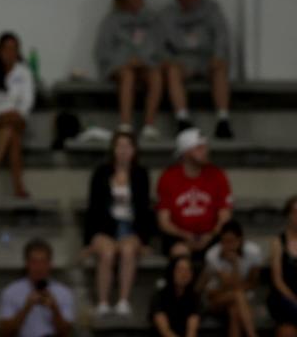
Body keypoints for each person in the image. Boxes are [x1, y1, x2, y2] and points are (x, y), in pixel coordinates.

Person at [84, 130, 154, 317]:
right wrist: (88, 242)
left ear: (134, 150)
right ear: (113, 150)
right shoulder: (101, 173)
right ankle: (103, 302)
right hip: (106, 228)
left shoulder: (141, 174)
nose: (123, 151)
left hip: (130, 228)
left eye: (128, 146)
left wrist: (145, 241)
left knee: (128, 251)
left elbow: (145, 210)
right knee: (107, 253)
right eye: (119, 146)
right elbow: (93, 208)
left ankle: (123, 300)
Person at [160, 0, 234, 138]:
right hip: (183, 59)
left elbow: (221, 35)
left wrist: (218, 55)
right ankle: (183, 120)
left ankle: (223, 120)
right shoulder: (168, 14)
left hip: (207, 57)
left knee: (221, 68)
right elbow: (161, 43)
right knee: (172, 71)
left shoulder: (211, 8)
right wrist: (169, 60)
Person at [94, 0, 164, 140]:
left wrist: (143, 60)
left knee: (155, 75)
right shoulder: (111, 22)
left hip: (146, 64)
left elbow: (159, 46)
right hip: (120, 67)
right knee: (128, 75)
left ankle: (149, 125)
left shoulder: (151, 18)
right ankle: (125, 124)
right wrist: (124, 61)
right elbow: (103, 51)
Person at [156, 128, 233, 260]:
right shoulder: (168, 177)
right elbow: (164, 221)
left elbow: (225, 216)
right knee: (180, 252)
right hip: (179, 237)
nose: (206, 151)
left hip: (212, 236)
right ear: (186, 152)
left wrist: (210, 235)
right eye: (199, 148)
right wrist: (185, 235)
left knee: (226, 251)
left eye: (205, 147)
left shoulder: (217, 175)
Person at [0, 32, 34, 198]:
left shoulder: (24, 72)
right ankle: (18, 187)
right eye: (6, 49)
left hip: (16, 118)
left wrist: (16, 114)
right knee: (13, 136)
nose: (10, 53)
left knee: (11, 128)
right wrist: (1, 114)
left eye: (14, 49)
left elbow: (28, 100)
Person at [0, 238, 75, 337]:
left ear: (50, 264)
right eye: (34, 262)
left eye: (43, 262)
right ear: (27, 263)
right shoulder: (11, 292)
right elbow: (5, 333)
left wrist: (55, 309)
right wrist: (26, 307)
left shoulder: (64, 293)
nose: (39, 267)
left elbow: (66, 332)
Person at [200, 220, 261, 337]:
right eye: (224, 241)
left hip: (240, 299)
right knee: (237, 295)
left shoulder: (253, 252)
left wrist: (235, 264)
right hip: (215, 298)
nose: (228, 246)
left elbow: (253, 282)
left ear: (240, 240)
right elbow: (227, 286)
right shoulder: (212, 255)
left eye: (231, 241)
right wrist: (235, 265)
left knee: (234, 310)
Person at [149, 256, 201, 337]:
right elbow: (164, 330)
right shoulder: (159, 296)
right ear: (171, 272)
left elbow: (192, 330)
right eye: (180, 270)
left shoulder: (194, 298)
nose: (184, 274)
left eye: (188, 270)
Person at [268, 195, 297, 337]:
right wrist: (293, 297)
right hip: (283, 295)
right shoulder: (278, 242)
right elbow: (277, 279)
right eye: (295, 212)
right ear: (288, 215)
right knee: (287, 325)